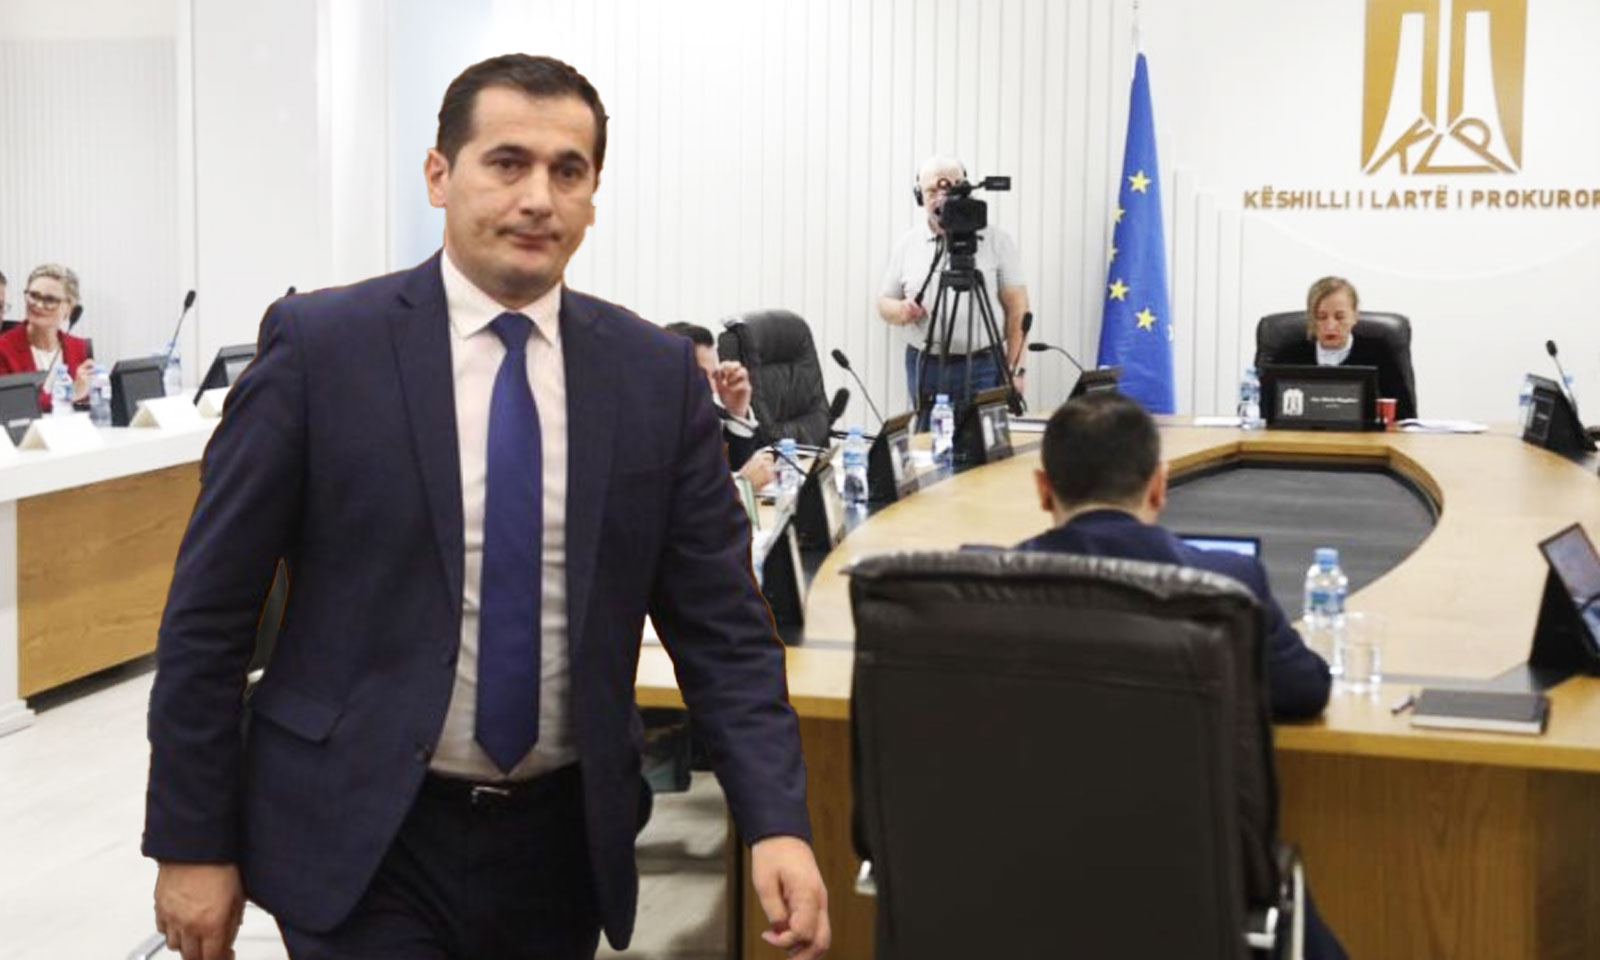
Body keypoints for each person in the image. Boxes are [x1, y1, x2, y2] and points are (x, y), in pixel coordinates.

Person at [143, 53, 829, 960]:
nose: (538, 198)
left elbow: (723, 628)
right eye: (507, 163)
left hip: (559, 844)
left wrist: (776, 820)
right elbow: (210, 612)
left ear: (592, 196)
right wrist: (191, 838)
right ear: (440, 175)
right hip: (364, 832)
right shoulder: (322, 350)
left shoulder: (651, 378)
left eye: (568, 171)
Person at [1017, 391, 1344, 959]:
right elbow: (1305, 689)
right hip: (1191, 896)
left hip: (1018, 886)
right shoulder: (1225, 583)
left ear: (1044, 490)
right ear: (1159, 487)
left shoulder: (982, 588)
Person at [877, 155, 1030, 409]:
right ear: (920, 197)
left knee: (982, 434)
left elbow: (1018, 310)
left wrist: (1016, 370)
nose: (941, 198)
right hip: (926, 366)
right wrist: (901, 310)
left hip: (984, 364)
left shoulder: (997, 241)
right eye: (931, 191)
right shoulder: (908, 245)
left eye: (950, 189)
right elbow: (884, 304)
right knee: (928, 433)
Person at [1265, 275, 1417, 420]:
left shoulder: (1379, 354)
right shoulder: (1289, 356)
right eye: (1321, 317)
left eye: (1339, 317)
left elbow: (1405, 415)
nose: (1330, 326)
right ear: (1311, 318)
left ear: (1354, 316)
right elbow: (1266, 413)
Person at [663, 321, 776, 489]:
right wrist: (741, 485)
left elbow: (742, 464)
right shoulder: (646, 429)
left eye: (714, 375)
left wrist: (737, 412)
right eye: (701, 375)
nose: (713, 387)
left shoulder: (707, 412)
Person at [0, 263, 96, 410]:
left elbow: (92, 402)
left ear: (69, 308)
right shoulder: (4, 348)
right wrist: (70, 394)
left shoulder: (80, 348)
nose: (38, 305)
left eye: (50, 300)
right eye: (33, 296)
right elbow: (13, 405)